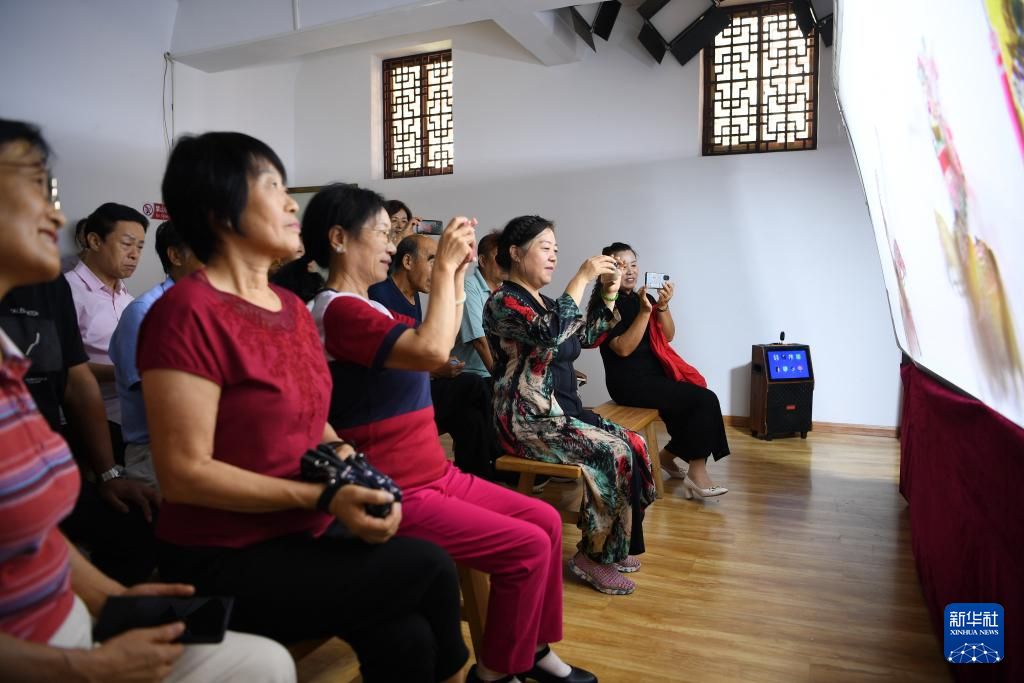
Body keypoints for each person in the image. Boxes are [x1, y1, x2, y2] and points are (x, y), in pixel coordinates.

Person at [140, 132, 467, 682]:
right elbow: (184, 475)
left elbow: (314, 422)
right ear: (218, 211)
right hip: (225, 550)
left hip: (302, 528)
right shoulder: (185, 313)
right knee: (430, 566)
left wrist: (356, 474)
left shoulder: (290, 308)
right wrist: (324, 495)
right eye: (272, 187)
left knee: (407, 638)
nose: (292, 204)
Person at [0, 118, 295, 683]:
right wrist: (90, 667)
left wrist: (114, 600)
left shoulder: (15, 360)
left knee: (266, 660)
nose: (56, 217)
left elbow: (37, 537)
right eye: (33, 189)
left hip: (69, 621)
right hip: (49, 654)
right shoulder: (156, 311)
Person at [304, 183, 596, 683]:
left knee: (546, 521)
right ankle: (496, 672)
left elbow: (437, 334)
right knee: (525, 548)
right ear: (338, 239)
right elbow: (433, 351)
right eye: (382, 234)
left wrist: (456, 273)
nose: (392, 245)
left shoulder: (370, 307)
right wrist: (443, 269)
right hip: (397, 485)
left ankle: (531, 649)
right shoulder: (337, 309)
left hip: (433, 473)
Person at [484, 215, 657, 596]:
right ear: (515, 253)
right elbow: (550, 332)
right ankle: (593, 557)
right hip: (527, 420)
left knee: (635, 444)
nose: (553, 257)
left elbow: (586, 336)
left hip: (559, 414)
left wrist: (608, 291)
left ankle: (614, 544)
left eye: (556, 250)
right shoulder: (502, 302)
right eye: (545, 248)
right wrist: (581, 277)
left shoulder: (545, 303)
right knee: (612, 453)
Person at [587, 243, 731, 498]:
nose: (630, 271)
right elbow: (623, 349)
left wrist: (662, 306)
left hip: (654, 376)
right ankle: (697, 474)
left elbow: (669, 335)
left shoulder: (644, 298)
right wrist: (645, 313)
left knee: (696, 399)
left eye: (633, 264)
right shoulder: (604, 306)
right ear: (606, 271)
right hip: (629, 383)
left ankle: (665, 457)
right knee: (705, 400)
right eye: (621, 265)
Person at [370, 233, 502, 481]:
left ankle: (480, 479)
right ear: (407, 262)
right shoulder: (379, 296)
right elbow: (384, 358)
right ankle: (500, 456)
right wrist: (433, 368)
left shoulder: (414, 296)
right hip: (395, 399)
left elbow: (420, 347)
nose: (436, 269)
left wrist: (438, 365)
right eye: (432, 260)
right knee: (473, 384)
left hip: (417, 388)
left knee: (469, 416)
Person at [109, 221, 202, 492]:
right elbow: (157, 395)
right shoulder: (144, 311)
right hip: (156, 452)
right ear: (175, 256)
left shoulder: (208, 307)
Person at [65, 202, 148, 460]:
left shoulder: (128, 299)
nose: (134, 255)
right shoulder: (66, 291)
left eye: (140, 247)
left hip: (132, 420)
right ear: (94, 241)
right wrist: (124, 373)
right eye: (127, 244)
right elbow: (59, 367)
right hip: (88, 424)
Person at [452, 230, 505, 379]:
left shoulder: (506, 291)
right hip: (470, 375)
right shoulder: (468, 287)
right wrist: (501, 381)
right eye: (499, 257)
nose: (505, 263)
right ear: (482, 261)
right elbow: (479, 342)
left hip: (496, 373)